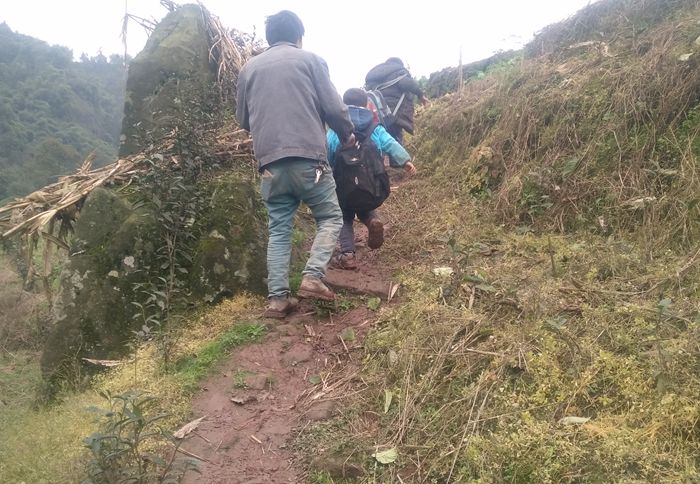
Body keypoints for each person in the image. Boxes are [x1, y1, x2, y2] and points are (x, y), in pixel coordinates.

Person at [236, 10, 355, 318]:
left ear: (269, 38)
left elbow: (243, 120)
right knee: (330, 217)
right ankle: (313, 276)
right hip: (309, 160)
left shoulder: (248, 69)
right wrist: (347, 135)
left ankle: (278, 300)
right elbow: (334, 108)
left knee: (278, 230)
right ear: (299, 36)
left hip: (270, 165)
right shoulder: (311, 61)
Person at [326, 88, 417, 270]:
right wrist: (405, 161)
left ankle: (348, 255)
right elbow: (390, 143)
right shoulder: (375, 127)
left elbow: (327, 151)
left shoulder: (336, 130)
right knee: (365, 207)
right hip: (370, 183)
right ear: (367, 105)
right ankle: (372, 221)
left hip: (342, 185)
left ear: (343, 106)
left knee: (344, 216)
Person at [365, 57, 428, 145]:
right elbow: (406, 83)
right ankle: (397, 152)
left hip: (376, 115)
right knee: (395, 139)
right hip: (394, 114)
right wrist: (420, 95)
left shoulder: (372, 78)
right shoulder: (398, 71)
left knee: (381, 138)